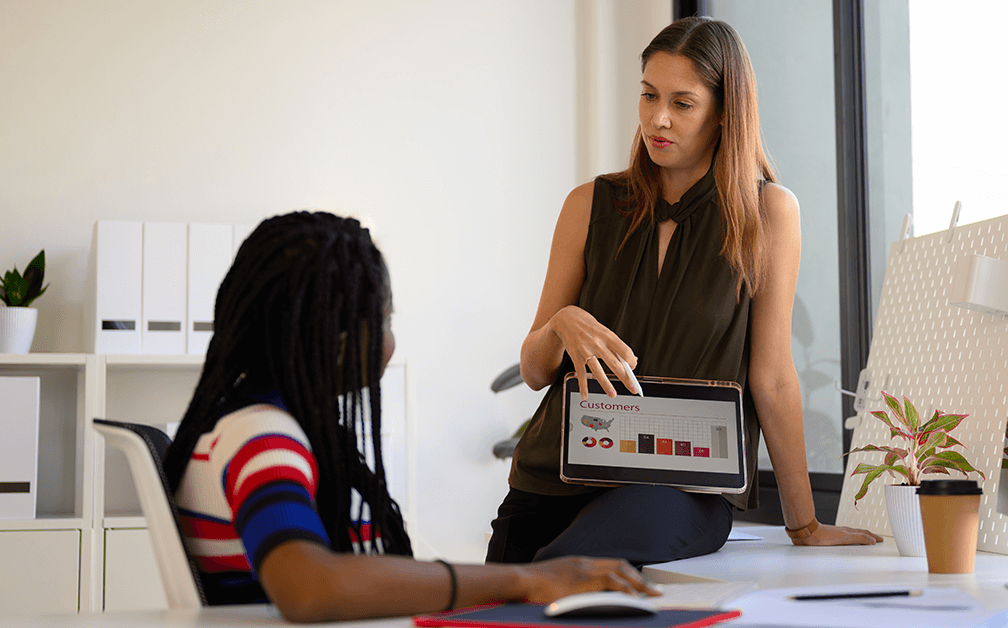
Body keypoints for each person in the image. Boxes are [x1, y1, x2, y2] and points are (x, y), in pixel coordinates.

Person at [486, 16, 883, 566]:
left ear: (724, 112)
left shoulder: (768, 213)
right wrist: (561, 323)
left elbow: (771, 377)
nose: (659, 118)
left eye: (683, 102)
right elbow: (534, 371)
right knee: (497, 608)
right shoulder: (588, 205)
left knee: (563, 572)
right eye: (649, 96)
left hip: (677, 489)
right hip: (553, 476)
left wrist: (806, 524)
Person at [162, 211, 657, 623]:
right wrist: (525, 578)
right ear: (332, 335)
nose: (390, 338)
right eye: (384, 320)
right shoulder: (261, 436)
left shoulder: (249, 422)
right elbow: (308, 587)